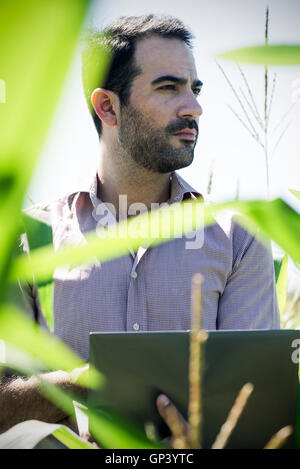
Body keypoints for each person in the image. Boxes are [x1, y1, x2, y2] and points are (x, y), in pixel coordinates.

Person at [0, 14, 280, 441]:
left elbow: (259, 410)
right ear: (108, 107)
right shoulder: (28, 241)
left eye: (195, 88)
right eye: (169, 88)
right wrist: (82, 383)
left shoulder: (239, 240)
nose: (194, 107)